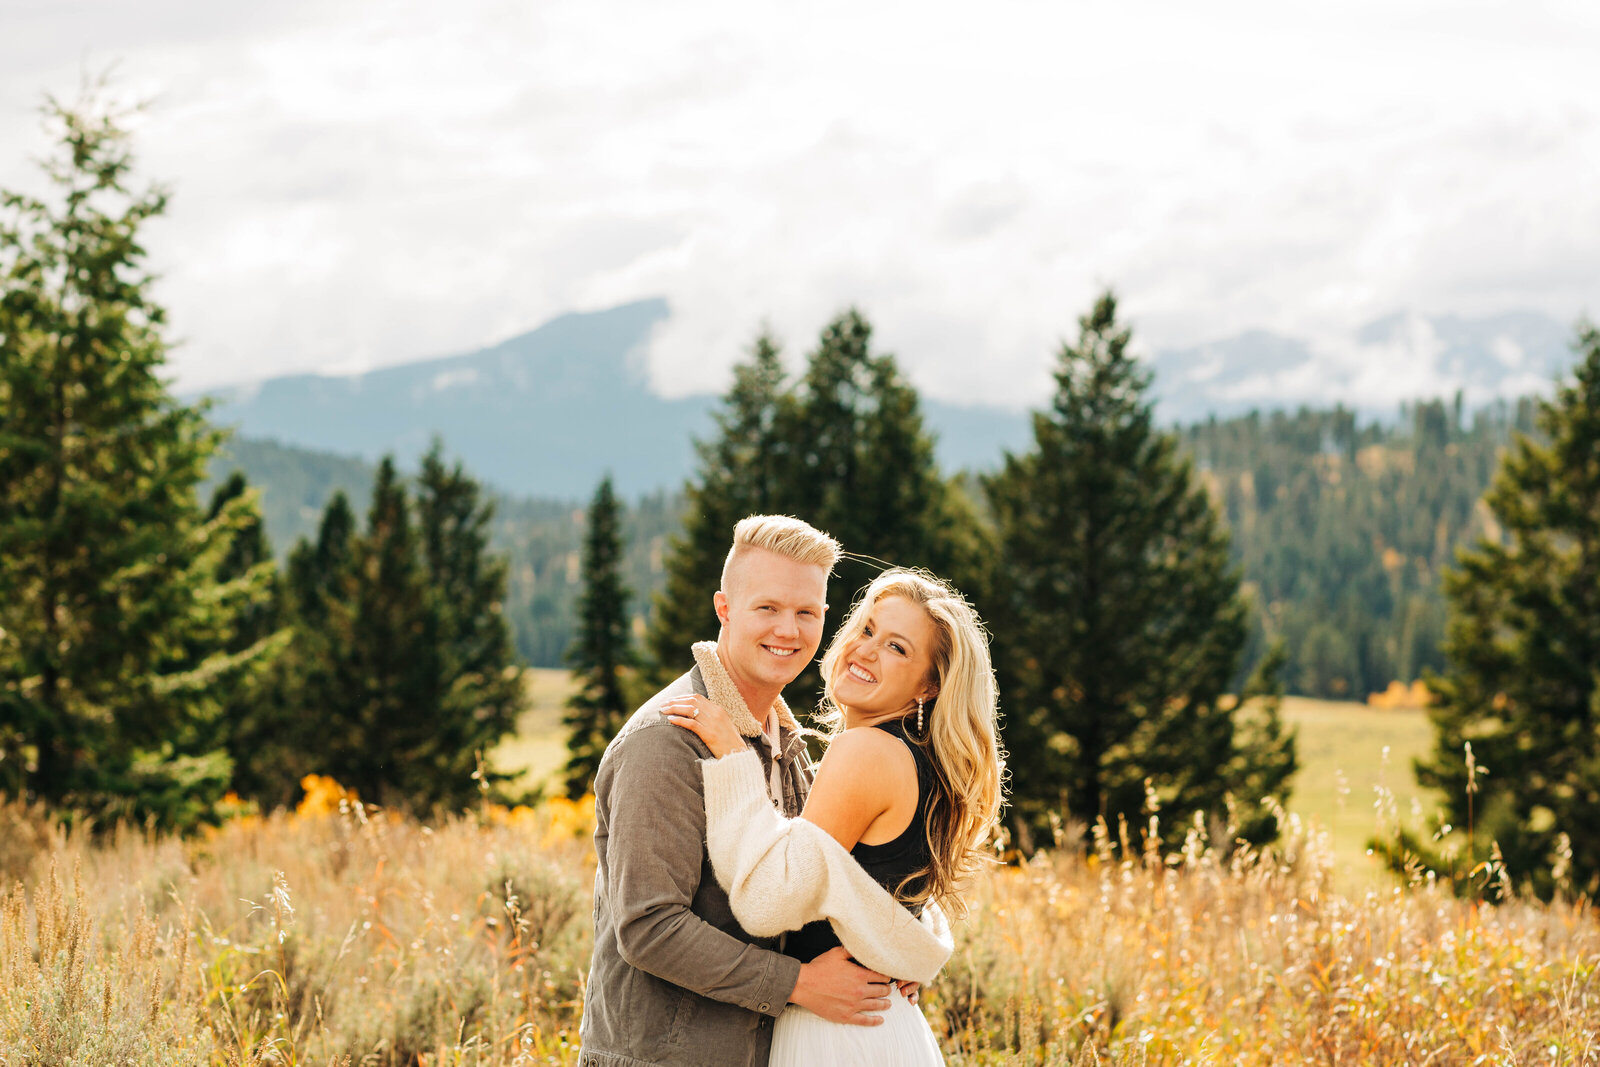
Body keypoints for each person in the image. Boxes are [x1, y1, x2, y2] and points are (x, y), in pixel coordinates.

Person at [577, 515, 912, 1067]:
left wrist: (890, 958)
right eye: (768, 608)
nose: (788, 630)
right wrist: (799, 983)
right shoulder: (666, 742)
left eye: (806, 613)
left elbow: (808, 887)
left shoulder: (790, 746)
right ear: (724, 608)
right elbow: (648, 927)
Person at [664, 567, 1005, 1066]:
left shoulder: (865, 751)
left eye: (897, 648)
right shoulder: (920, 761)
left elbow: (768, 901)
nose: (866, 650)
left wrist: (734, 759)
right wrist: (909, 949)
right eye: (867, 629)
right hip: (878, 1026)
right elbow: (883, 892)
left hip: (840, 1035)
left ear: (928, 686)